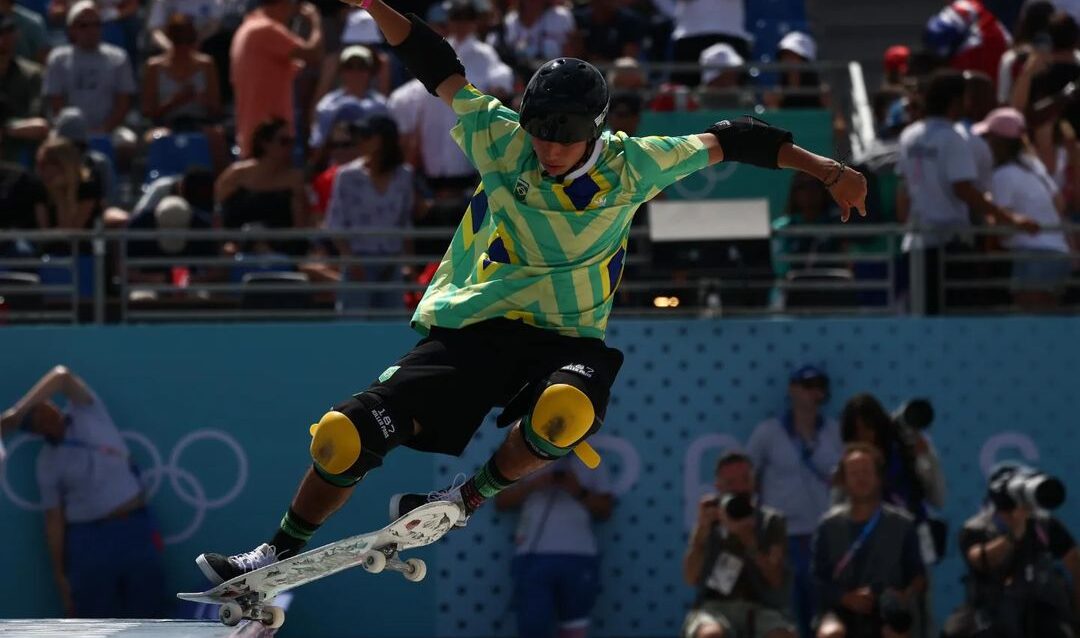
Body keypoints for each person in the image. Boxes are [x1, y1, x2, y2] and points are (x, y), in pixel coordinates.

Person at [193, 0, 868, 587]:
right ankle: (272, 555)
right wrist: (372, 4)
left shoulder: (635, 164)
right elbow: (437, 63)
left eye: (565, 138)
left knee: (565, 413)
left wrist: (831, 170)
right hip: (475, 329)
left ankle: (467, 497)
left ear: (596, 131)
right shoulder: (501, 138)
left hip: (566, 340)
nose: (548, 149)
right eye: (540, 133)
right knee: (342, 438)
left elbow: (738, 138)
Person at [0, 366, 168, 618]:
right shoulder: (47, 463)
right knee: (94, 619)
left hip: (134, 528)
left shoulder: (88, 411)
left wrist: (16, 413)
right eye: (37, 419)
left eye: (44, 406)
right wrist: (60, 578)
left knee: (152, 613)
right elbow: (54, 522)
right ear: (35, 431)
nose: (48, 414)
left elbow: (62, 377)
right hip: (89, 541)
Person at [896, 69, 1038, 314]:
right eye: (966, 98)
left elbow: (903, 191)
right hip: (949, 249)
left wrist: (908, 225)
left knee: (921, 317)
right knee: (955, 319)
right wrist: (1009, 218)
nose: (969, 104)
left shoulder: (909, 136)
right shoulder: (953, 139)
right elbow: (963, 189)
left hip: (915, 244)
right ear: (955, 102)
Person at [747, 366, 842, 638]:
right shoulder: (769, 432)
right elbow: (748, 475)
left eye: (819, 386)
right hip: (783, 536)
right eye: (807, 385)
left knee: (822, 608)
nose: (814, 392)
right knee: (785, 609)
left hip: (823, 535)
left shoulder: (834, 431)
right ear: (792, 389)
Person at [942, 463, 1080, 638]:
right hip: (992, 612)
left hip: (1041, 613)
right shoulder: (976, 528)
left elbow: (1075, 563)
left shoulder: (1044, 525)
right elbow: (979, 560)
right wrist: (1013, 535)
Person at [813, 444, 927, 638]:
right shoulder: (828, 526)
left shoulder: (903, 524)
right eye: (854, 473)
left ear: (879, 477)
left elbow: (918, 576)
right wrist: (845, 598)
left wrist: (903, 597)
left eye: (866, 471)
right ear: (844, 480)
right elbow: (817, 579)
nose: (860, 478)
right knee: (831, 634)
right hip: (842, 609)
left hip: (887, 609)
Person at [495, 455, 614, 638]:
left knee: (574, 628)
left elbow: (605, 510)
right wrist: (533, 484)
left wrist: (577, 489)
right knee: (532, 625)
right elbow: (501, 501)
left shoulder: (592, 459)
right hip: (533, 556)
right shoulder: (522, 455)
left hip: (579, 556)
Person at [682, 452, 796, 638]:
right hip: (715, 606)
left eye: (745, 480)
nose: (740, 488)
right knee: (710, 635)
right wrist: (701, 531)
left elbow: (776, 579)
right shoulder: (710, 520)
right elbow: (689, 577)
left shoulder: (771, 522)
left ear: (754, 483)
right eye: (731, 483)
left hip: (761, 606)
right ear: (718, 487)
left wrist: (749, 541)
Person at [977, 107, 1074, 310]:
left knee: (1032, 318)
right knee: (1045, 320)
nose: (984, 144)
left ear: (999, 142)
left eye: (988, 138)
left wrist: (982, 204)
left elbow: (999, 224)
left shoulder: (1003, 174)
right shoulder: (1034, 167)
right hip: (1056, 254)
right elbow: (1060, 204)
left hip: (1036, 256)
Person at [324, 114, 420, 310]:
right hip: (357, 264)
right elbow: (335, 222)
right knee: (353, 327)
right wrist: (350, 260)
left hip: (392, 265)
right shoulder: (346, 176)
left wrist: (409, 264)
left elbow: (405, 222)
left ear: (382, 140)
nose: (359, 141)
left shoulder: (404, 175)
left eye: (366, 135)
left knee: (391, 326)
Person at [229, 0, 323, 157]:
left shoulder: (249, 26)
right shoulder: (266, 29)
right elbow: (314, 53)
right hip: (271, 137)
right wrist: (316, 21)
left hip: (255, 131)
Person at [216, 117, 309, 256]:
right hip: (238, 247)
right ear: (265, 143)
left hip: (282, 248)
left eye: (292, 142)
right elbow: (218, 214)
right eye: (284, 141)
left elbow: (300, 226)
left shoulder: (295, 179)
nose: (289, 147)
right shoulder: (235, 175)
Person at [43, 1, 136, 136]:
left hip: (109, 130)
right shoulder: (58, 58)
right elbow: (56, 103)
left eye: (96, 25)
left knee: (127, 143)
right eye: (84, 25)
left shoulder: (118, 57)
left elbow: (122, 104)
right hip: (67, 131)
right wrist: (74, 131)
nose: (91, 30)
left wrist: (103, 130)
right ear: (71, 29)